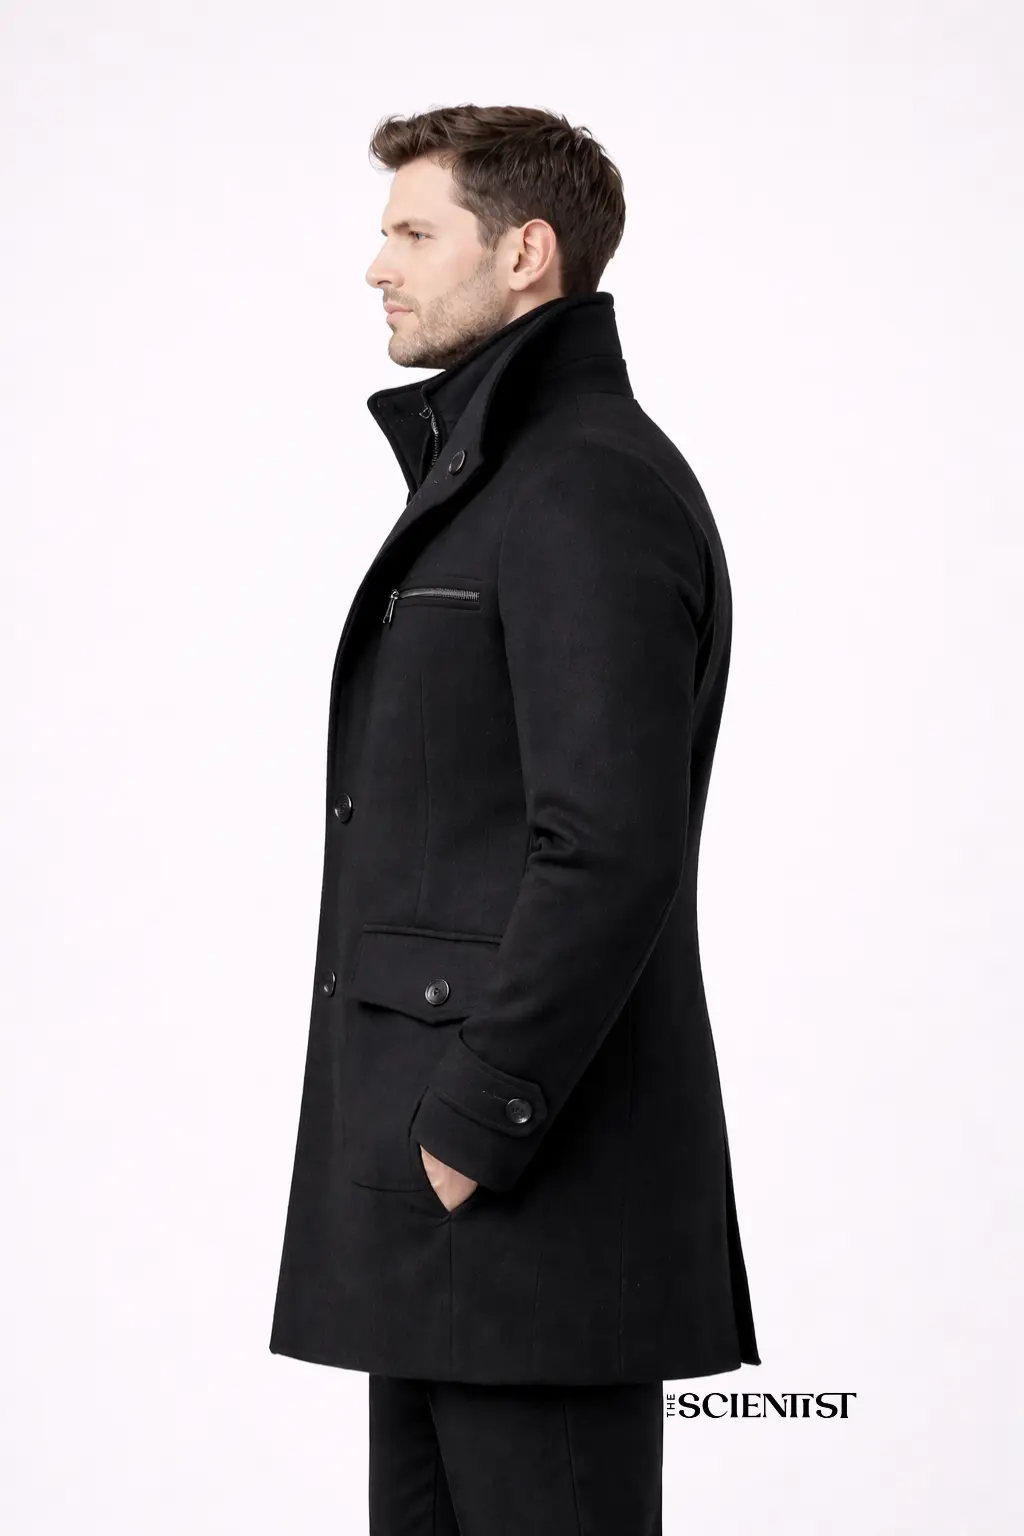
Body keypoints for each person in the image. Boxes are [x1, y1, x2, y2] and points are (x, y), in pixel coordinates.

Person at [269, 103, 761, 1536]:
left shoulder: (585, 485)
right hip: (446, 1198)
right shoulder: (500, 478)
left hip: (528, 1186)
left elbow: (608, 840)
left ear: (526, 252)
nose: (377, 266)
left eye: (413, 232)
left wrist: (476, 1120)